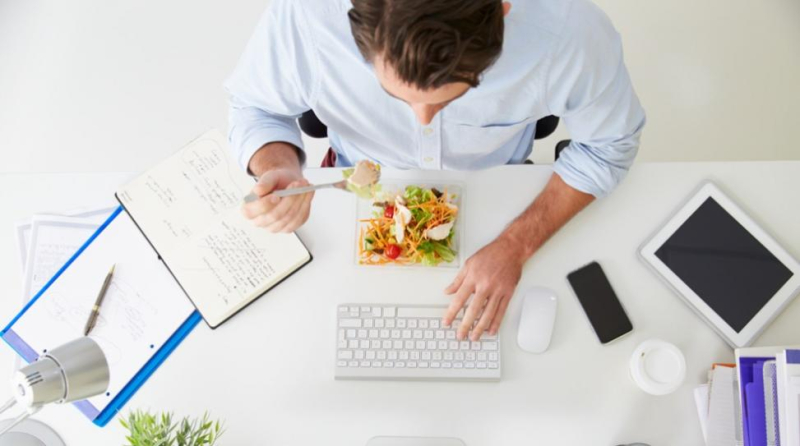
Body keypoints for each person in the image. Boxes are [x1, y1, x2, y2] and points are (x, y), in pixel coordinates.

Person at [226, 0, 645, 341]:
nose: (422, 121)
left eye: (449, 100)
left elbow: (609, 146)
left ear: (501, 10)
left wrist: (517, 245)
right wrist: (276, 161)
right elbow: (255, 106)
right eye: (397, 97)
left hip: (499, 196)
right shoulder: (305, 18)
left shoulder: (570, 33)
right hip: (349, 190)